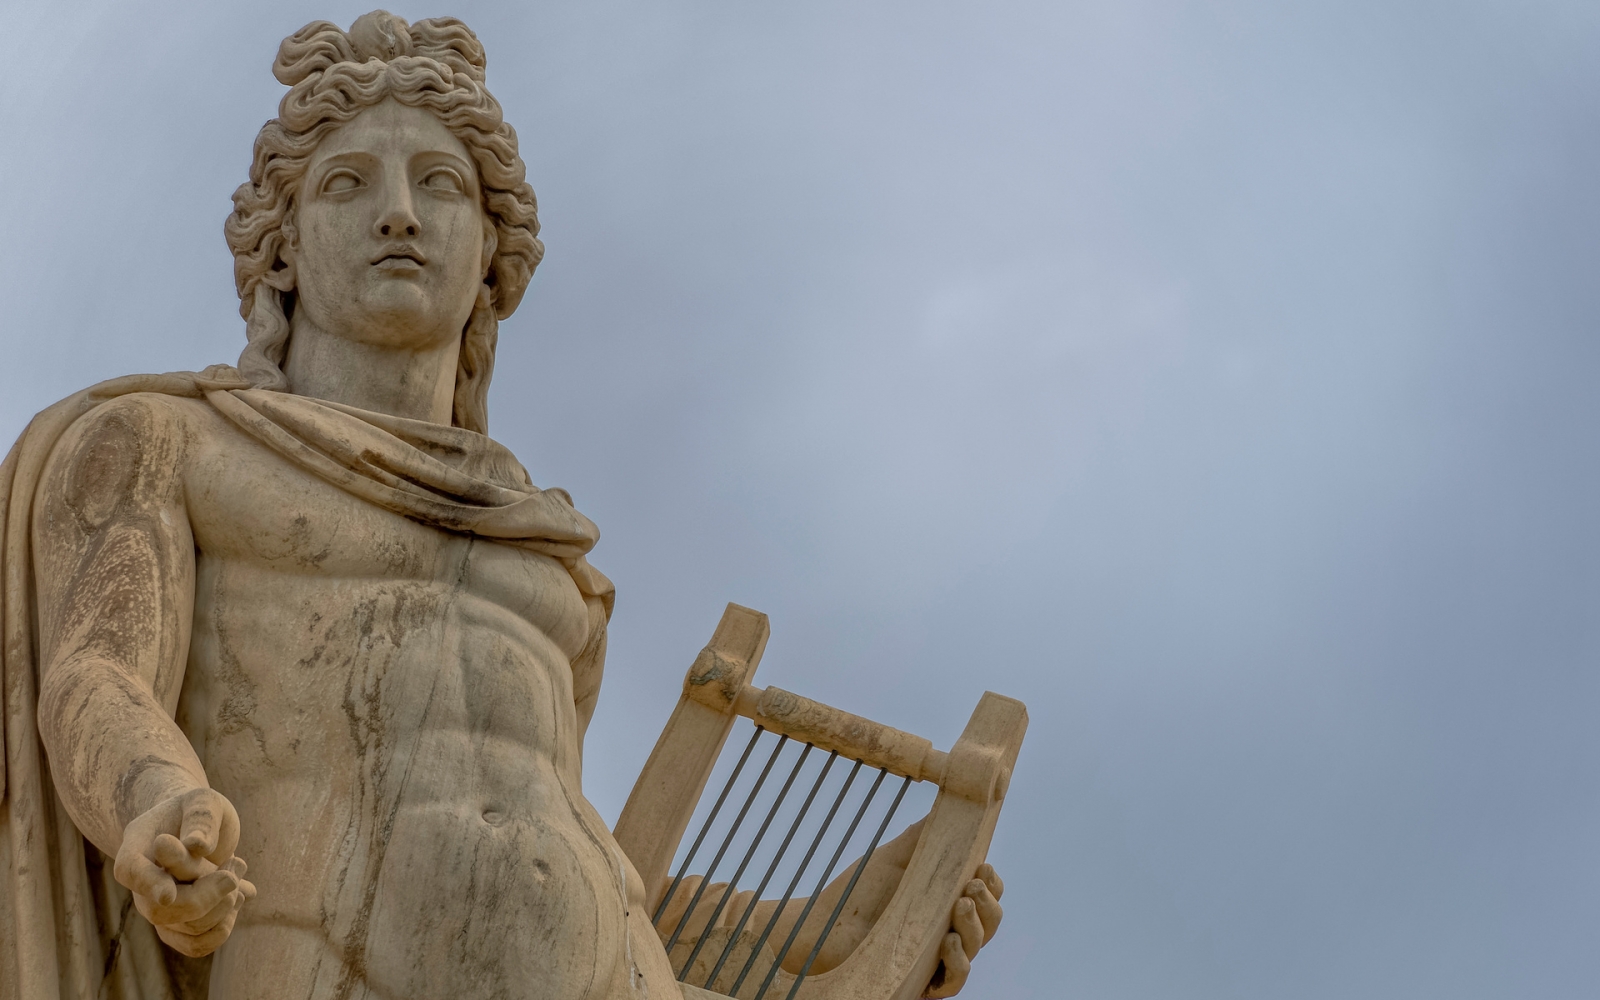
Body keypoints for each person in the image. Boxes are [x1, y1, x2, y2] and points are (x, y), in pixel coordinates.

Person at [0, 13, 1001, 999]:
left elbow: (566, 852)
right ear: (283, 249)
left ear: (491, 249)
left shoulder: (549, 562)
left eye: (439, 183)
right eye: (347, 184)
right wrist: (158, 804)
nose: (398, 212)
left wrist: (809, 931)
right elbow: (95, 674)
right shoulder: (169, 442)